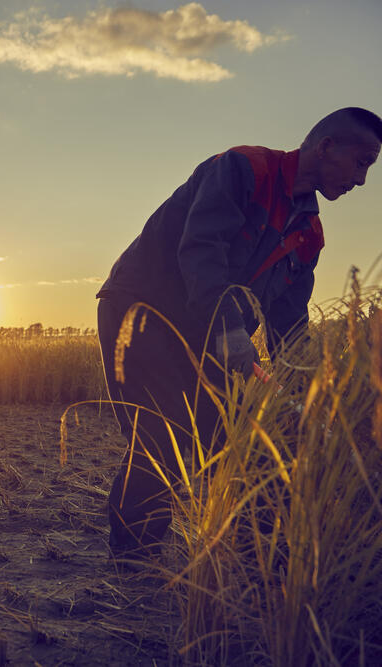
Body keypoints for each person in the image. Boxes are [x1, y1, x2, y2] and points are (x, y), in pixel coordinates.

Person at [96, 107, 382, 567]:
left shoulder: (309, 234)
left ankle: (255, 562)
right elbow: (201, 251)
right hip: (144, 311)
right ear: (326, 146)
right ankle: (134, 562)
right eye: (362, 162)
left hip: (211, 335)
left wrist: (308, 391)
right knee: (164, 434)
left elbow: (290, 322)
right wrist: (230, 329)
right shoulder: (244, 169)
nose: (363, 180)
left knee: (243, 442)